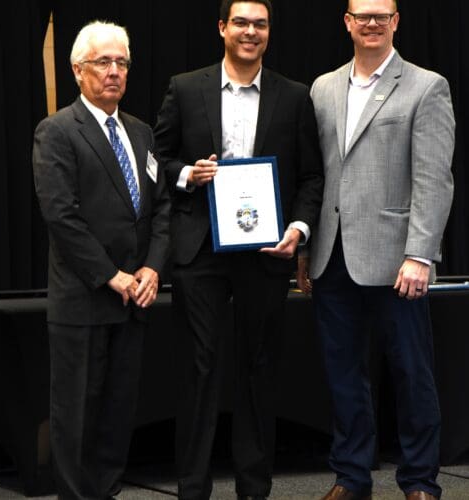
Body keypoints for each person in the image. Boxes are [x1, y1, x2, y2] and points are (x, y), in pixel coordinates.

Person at [153, 1, 324, 499]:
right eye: (242, 23)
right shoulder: (185, 88)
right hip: (200, 248)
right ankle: (192, 487)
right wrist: (187, 174)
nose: (251, 32)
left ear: (269, 33)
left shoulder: (294, 97)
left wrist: (298, 229)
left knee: (258, 368)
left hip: (266, 249)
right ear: (223, 28)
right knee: (200, 369)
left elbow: (312, 176)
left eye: (261, 24)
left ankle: (254, 488)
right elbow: (156, 160)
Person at [296, 0, 455, 499]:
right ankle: (351, 476)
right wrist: (305, 252)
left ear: (395, 22)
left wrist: (421, 254)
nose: (370, 22)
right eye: (360, 15)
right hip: (331, 255)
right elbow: (318, 174)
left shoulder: (427, 85)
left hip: (396, 260)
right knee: (344, 375)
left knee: (411, 373)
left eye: (380, 15)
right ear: (346, 22)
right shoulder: (323, 87)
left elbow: (434, 178)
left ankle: (420, 481)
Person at [33, 21, 170, 500]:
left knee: (117, 414)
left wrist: (152, 267)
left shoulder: (142, 133)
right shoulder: (56, 131)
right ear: (77, 70)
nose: (114, 72)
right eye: (103, 62)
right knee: (75, 417)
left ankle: (107, 491)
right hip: (84, 301)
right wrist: (112, 276)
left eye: (122, 63)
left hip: (134, 298)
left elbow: (160, 210)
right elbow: (61, 216)